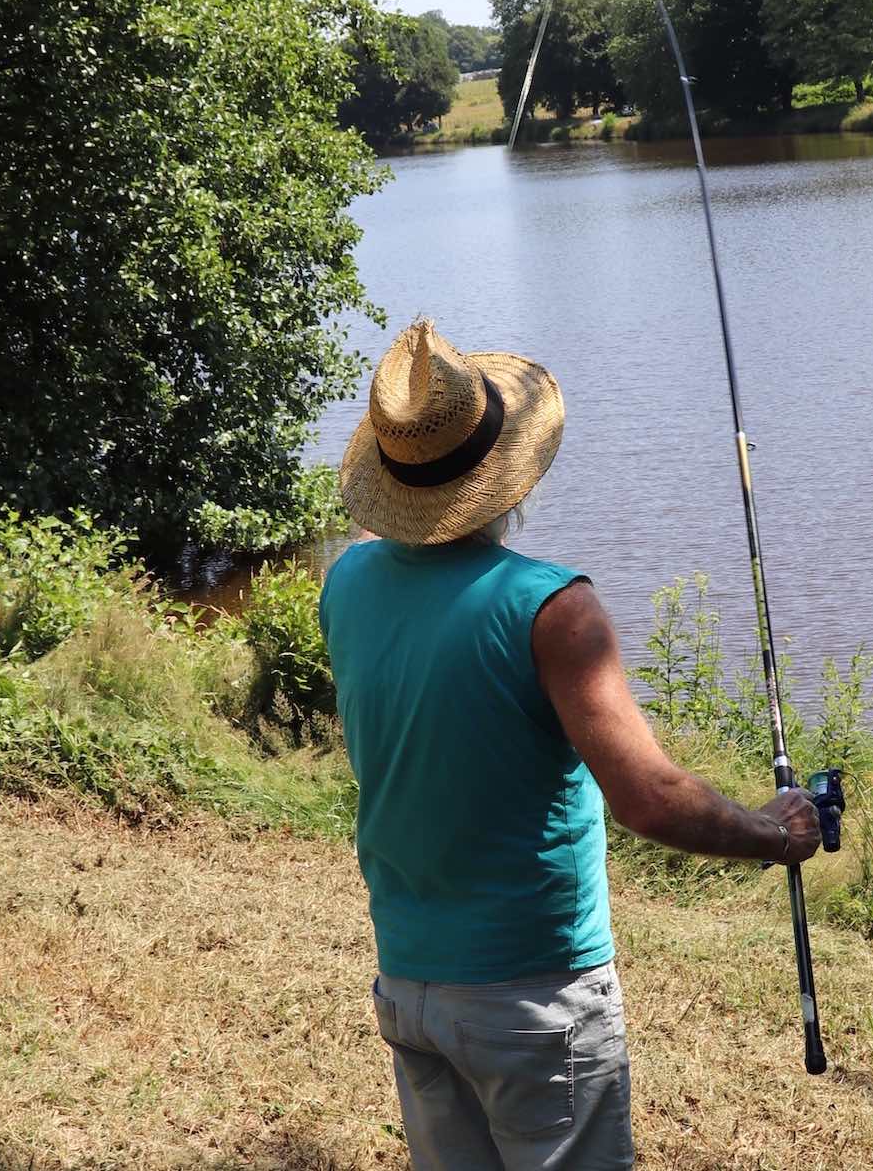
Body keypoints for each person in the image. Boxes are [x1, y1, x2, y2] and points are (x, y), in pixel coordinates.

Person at [319, 319, 822, 1171]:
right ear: (509, 473)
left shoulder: (347, 579)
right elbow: (647, 798)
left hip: (409, 984)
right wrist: (778, 834)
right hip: (534, 997)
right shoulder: (553, 608)